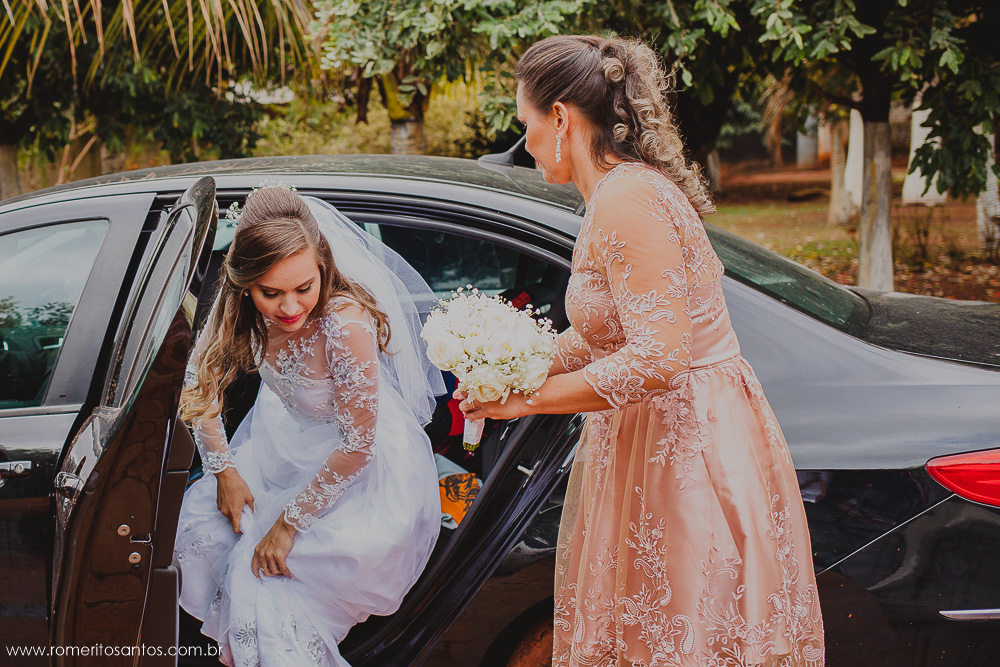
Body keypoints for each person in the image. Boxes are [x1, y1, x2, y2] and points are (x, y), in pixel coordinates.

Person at [458, 35, 825, 666]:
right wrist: (513, 369)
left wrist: (531, 401)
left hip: (685, 444)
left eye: (527, 125)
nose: (527, 143)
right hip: (651, 436)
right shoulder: (617, 195)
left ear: (563, 118)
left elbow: (658, 358)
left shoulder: (629, 200)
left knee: (681, 634)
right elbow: (609, 335)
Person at [174, 187, 443, 667]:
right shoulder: (236, 310)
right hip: (280, 444)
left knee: (266, 577)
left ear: (322, 266)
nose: (290, 308)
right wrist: (224, 472)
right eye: (269, 293)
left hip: (360, 470)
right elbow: (199, 383)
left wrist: (288, 524)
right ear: (245, 285)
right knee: (202, 534)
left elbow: (358, 445)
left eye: (304, 287)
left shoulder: (345, 324)